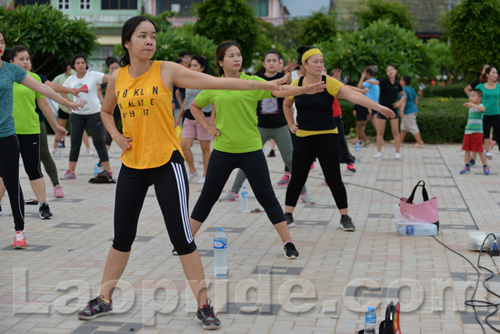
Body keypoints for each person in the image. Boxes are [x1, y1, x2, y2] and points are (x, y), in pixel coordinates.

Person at [75, 17, 290, 328]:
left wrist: (265, 85)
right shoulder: (118, 77)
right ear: (127, 42)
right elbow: (106, 112)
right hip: (132, 166)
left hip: (166, 164)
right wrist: (118, 136)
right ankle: (104, 299)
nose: (149, 41)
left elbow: (217, 83)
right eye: (142, 36)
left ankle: (204, 306)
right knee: (122, 236)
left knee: (183, 237)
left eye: (152, 36)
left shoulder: (166, 69)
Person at [188, 40, 326, 260]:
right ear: (221, 61)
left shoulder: (252, 81)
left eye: (239, 54)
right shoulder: (215, 84)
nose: (237, 58)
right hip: (223, 150)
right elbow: (194, 106)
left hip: (251, 149)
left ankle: (288, 242)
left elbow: (279, 91)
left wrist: (306, 89)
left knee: (267, 197)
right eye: (231, 55)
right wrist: (207, 126)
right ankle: (186, 241)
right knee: (208, 196)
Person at [282, 46, 395, 232]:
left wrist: (379, 107)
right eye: (315, 62)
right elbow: (287, 104)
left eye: (321, 62)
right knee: (297, 178)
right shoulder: (297, 85)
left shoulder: (329, 83)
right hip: (303, 138)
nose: (320, 65)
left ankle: (345, 216)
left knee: (334, 178)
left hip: (327, 137)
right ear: (305, 65)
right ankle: (288, 215)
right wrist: (289, 123)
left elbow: (354, 96)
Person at [0, 30, 79, 248]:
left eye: (2, 42)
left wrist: (67, 102)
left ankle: (19, 231)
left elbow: (42, 88)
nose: (0, 45)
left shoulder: (11, 70)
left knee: (12, 181)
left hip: (6, 135)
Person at [220, 50, 315, 204]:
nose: (271, 63)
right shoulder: (258, 79)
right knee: (247, 161)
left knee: (291, 160)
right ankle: (233, 191)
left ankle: (303, 193)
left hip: (280, 126)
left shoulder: (281, 79)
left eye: (274, 61)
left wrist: (289, 76)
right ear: (264, 64)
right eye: (268, 60)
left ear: (279, 64)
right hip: (260, 127)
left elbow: (288, 91)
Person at [0, 46, 68, 220]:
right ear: (11, 62)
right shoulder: (6, 76)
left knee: (34, 169)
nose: (25, 62)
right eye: (21, 59)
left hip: (30, 130)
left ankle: (43, 205)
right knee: (4, 172)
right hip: (8, 131)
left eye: (27, 59)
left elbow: (44, 105)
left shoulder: (34, 78)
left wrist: (56, 126)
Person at [61, 54, 111, 180]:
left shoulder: (94, 75)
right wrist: (69, 104)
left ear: (86, 64)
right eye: (77, 63)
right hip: (77, 115)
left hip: (94, 113)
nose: (80, 65)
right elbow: (62, 91)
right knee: (75, 143)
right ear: (73, 66)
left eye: (83, 62)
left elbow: (110, 79)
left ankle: (108, 171)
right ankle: (71, 172)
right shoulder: (71, 79)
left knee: (99, 142)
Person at [174, 55, 213, 184]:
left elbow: (214, 103)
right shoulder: (188, 81)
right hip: (189, 118)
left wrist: (212, 122)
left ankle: (206, 174)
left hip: (204, 118)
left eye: (196, 65)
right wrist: (179, 116)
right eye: (191, 65)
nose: (192, 67)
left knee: (205, 148)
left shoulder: (208, 82)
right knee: (184, 145)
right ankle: (192, 171)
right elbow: (187, 99)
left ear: (202, 68)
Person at [51, 60, 94, 157]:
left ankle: (88, 148)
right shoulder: (59, 78)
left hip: (75, 107)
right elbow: (53, 87)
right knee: (60, 128)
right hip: (63, 107)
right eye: (68, 66)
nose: (70, 67)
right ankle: (55, 147)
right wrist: (66, 102)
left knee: (80, 128)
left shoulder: (76, 76)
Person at [373, 65, 406, 160]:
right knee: (380, 132)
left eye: (391, 69)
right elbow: (375, 82)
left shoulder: (397, 84)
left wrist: (399, 103)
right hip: (382, 109)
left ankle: (397, 152)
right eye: (388, 70)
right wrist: (368, 82)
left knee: (395, 132)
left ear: (396, 71)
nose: (390, 71)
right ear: (386, 73)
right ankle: (378, 152)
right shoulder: (383, 81)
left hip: (393, 110)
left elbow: (404, 96)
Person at [459, 89, 489, 175]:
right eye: (470, 96)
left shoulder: (480, 106)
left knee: (480, 150)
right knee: (467, 150)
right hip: (468, 132)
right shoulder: (471, 107)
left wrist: (472, 104)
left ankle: (485, 167)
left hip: (477, 132)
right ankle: (466, 166)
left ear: (480, 98)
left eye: (473, 96)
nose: (471, 98)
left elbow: (483, 109)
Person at [474, 66, 500, 160]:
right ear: (487, 75)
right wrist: (475, 104)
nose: (495, 75)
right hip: (484, 114)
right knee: (485, 133)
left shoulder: (499, 87)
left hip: (496, 114)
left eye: (496, 73)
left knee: (499, 134)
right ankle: (487, 151)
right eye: (493, 73)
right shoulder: (480, 87)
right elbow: (472, 95)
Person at [97, 57, 121, 156]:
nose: (115, 70)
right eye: (112, 68)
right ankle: (102, 160)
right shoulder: (108, 79)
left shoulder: (124, 77)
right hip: (111, 111)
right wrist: (103, 101)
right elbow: (98, 89)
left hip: (124, 109)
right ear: (109, 69)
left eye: (116, 67)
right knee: (108, 137)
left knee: (130, 132)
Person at [354, 66, 379, 146]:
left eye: (365, 72)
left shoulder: (369, 81)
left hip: (369, 105)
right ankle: (358, 139)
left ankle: (379, 140)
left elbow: (359, 86)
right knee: (363, 124)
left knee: (362, 123)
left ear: (367, 73)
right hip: (374, 105)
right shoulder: (374, 81)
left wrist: (362, 77)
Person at [399, 75, 424, 147]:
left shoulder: (403, 90)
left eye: (401, 80)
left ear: (403, 82)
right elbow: (416, 97)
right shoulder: (411, 88)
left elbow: (404, 100)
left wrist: (401, 110)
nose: (400, 81)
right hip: (412, 109)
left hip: (408, 111)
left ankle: (420, 142)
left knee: (412, 126)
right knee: (404, 127)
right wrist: (415, 105)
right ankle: (399, 142)